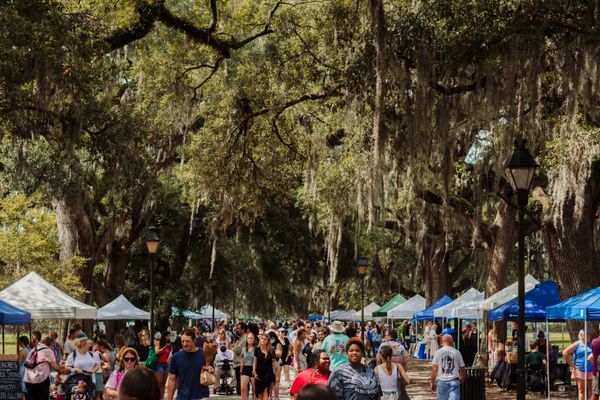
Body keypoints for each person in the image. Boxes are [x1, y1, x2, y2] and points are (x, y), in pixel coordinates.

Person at [167, 328, 212, 400]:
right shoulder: (175, 357)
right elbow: (172, 380)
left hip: (201, 396)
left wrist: (210, 369)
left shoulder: (203, 353)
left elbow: (210, 368)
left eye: (187, 341)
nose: (184, 344)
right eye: (183, 341)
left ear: (194, 341)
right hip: (182, 397)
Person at [23, 335, 61, 400]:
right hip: (40, 380)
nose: (53, 348)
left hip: (28, 379)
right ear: (51, 344)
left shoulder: (34, 349)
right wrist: (63, 368)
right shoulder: (48, 351)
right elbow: (55, 367)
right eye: (53, 346)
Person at [430, 334, 466, 400]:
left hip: (442, 381)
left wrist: (432, 382)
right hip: (454, 381)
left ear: (442, 341)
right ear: (451, 341)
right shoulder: (456, 352)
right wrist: (462, 378)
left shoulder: (438, 352)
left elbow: (434, 369)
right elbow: (462, 368)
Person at [564, 330, 594, 400]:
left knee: (592, 391)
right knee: (581, 390)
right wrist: (571, 365)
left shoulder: (591, 344)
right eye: (588, 335)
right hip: (580, 370)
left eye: (589, 335)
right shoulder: (577, 344)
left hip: (591, 370)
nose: (589, 337)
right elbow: (565, 353)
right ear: (583, 337)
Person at [253, 333, 277, 400]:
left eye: (265, 339)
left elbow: (274, 363)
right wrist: (254, 372)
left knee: (266, 390)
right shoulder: (257, 349)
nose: (263, 340)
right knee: (259, 392)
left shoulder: (271, 350)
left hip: (268, 373)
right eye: (262, 338)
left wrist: (275, 375)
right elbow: (254, 362)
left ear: (268, 341)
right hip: (259, 373)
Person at [154, 332, 171, 400]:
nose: (169, 337)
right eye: (167, 335)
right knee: (159, 383)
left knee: (163, 383)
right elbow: (157, 352)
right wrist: (164, 347)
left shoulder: (170, 343)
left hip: (166, 364)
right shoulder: (159, 342)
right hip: (159, 364)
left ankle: (161, 398)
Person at [233, 322, 248, 395]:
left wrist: (234, 346)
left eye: (238, 328)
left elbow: (237, 350)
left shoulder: (245, 339)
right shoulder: (240, 339)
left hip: (241, 364)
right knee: (240, 386)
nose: (236, 330)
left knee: (242, 387)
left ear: (243, 329)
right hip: (237, 363)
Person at [240, 332, 256, 400]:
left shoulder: (256, 349)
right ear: (246, 339)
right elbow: (242, 360)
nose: (250, 339)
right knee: (243, 388)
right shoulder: (244, 348)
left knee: (254, 389)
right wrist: (241, 371)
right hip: (246, 368)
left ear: (254, 339)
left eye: (252, 338)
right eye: (249, 338)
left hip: (254, 369)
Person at [589, 324, 600, 400]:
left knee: (595, 393)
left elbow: (592, 357)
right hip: (597, 371)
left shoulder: (594, 342)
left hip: (597, 371)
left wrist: (595, 365)